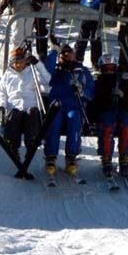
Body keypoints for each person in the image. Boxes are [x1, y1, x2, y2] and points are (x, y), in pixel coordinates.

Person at [42, 41, 95, 179]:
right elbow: (47, 70)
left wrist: (82, 91)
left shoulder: (82, 71)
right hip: (57, 105)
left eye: (69, 54)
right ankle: (51, 156)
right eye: (63, 55)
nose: (66, 57)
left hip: (74, 106)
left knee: (75, 120)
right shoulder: (56, 72)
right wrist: (55, 50)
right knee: (54, 122)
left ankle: (71, 156)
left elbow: (91, 90)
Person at [90, 49, 128, 180]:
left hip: (123, 111)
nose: (108, 71)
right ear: (101, 69)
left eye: (111, 68)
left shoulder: (124, 82)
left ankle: (125, 157)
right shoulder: (98, 83)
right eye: (106, 68)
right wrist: (108, 98)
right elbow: (94, 103)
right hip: (107, 111)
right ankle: (106, 157)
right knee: (107, 125)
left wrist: (123, 96)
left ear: (116, 67)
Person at [0, 45, 47, 162]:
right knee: (14, 114)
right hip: (15, 109)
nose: (19, 65)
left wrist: (38, 64)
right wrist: (1, 106)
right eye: (16, 62)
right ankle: (13, 146)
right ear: (12, 63)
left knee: (32, 113)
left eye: (21, 62)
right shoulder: (7, 76)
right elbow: (1, 94)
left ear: (25, 61)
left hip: (30, 107)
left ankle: (31, 145)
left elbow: (48, 80)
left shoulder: (32, 72)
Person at [76, 0, 113, 68]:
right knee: (81, 39)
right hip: (85, 17)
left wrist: (106, 10)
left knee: (95, 40)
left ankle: (95, 62)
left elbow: (108, 4)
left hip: (97, 19)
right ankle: (77, 60)